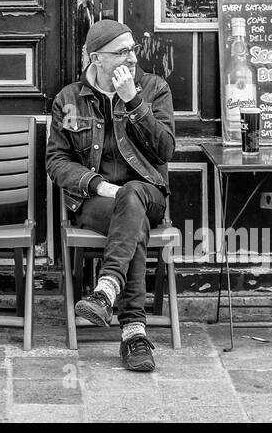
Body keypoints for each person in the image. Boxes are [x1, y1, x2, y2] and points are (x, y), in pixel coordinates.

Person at [46, 19, 176, 372]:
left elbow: (165, 150)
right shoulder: (69, 99)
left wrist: (133, 101)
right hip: (96, 200)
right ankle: (134, 333)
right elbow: (57, 161)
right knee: (127, 214)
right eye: (122, 52)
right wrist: (98, 185)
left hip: (149, 195)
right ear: (96, 59)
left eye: (133, 49)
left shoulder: (152, 89)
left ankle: (106, 289)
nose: (133, 58)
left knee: (132, 196)